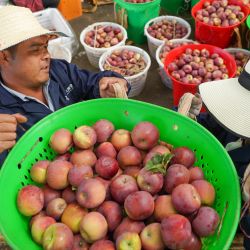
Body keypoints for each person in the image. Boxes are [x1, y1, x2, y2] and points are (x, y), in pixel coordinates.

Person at [0, 5, 129, 166]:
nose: (47, 55)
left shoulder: (58, 71)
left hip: (91, 162)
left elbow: (90, 82)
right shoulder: (3, 115)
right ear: (4, 57)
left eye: (45, 47)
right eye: (35, 50)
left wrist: (107, 84)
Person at [178, 60, 250, 249]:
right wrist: (191, 122)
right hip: (196, 197)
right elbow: (211, 124)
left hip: (226, 218)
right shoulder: (233, 117)